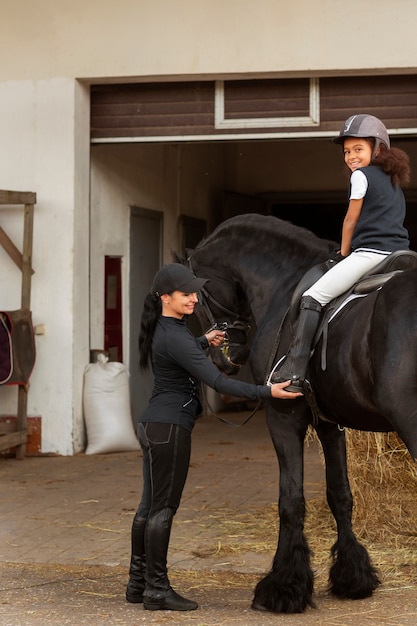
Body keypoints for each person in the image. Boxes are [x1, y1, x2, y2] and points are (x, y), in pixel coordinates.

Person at [126, 263, 302, 612]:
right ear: (165, 298)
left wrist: (202, 340)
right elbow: (220, 383)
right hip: (170, 429)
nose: (194, 298)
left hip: (153, 426)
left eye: (194, 292)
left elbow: (179, 350)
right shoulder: (175, 335)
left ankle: (138, 583)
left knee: (148, 508)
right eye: (186, 294)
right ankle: (157, 590)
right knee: (163, 509)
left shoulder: (168, 328)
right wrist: (268, 391)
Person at [270, 113, 411, 392]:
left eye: (358, 149)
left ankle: (296, 371)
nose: (351, 157)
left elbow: (350, 219)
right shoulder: (394, 182)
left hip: (370, 254)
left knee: (313, 296)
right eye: (347, 151)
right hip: (402, 254)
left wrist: (344, 252)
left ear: (378, 149)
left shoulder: (361, 176)